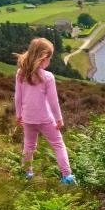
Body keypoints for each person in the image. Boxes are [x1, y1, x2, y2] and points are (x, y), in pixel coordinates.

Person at [14, 37, 76, 184]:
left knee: (29, 145)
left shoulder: (20, 73)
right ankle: (67, 176)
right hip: (45, 118)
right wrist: (59, 119)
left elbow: (18, 97)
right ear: (43, 58)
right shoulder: (48, 77)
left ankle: (27, 174)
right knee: (58, 144)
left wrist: (19, 115)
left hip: (27, 118)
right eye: (49, 57)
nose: (50, 61)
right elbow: (53, 102)